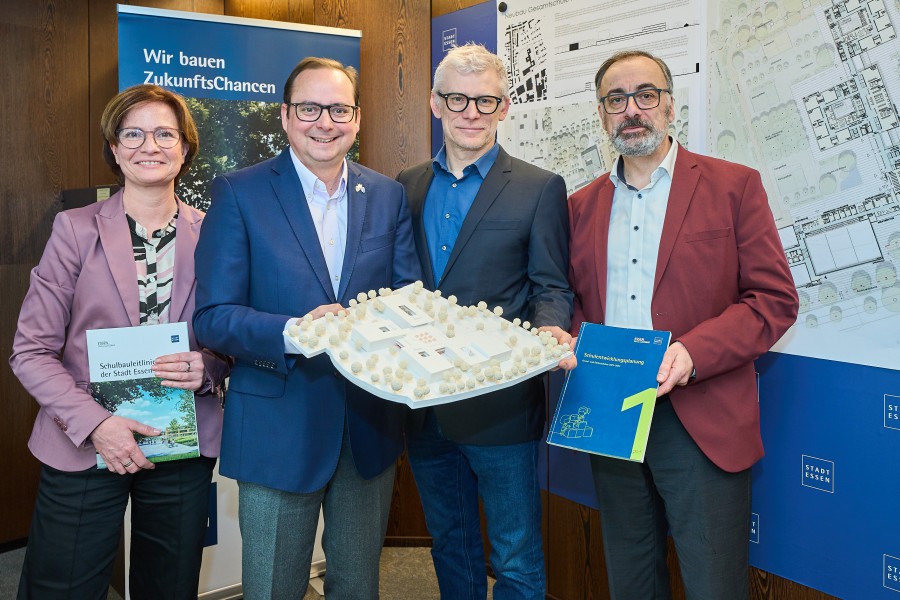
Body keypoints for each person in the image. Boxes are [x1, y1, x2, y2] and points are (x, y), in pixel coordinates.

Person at [567, 50, 799, 599]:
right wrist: (577, 340)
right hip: (613, 415)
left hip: (702, 415)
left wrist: (693, 353)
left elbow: (773, 299)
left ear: (670, 105)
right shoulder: (579, 207)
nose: (632, 110)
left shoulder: (733, 186)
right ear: (602, 115)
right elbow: (571, 300)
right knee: (631, 579)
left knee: (713, 584)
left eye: (646, 95)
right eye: (616, 99)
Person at [192, 57, 420, 599]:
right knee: (273, 587)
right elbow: (213, 317)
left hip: (368, 423)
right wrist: (297, 331)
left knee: (358, 586)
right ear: (286, 116)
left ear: (357, 119)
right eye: (310, 108)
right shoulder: (239, 193)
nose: (325, 121)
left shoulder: (386, 195)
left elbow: (410, 300)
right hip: (278, 424)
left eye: (338, 108)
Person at [9, 84, 229, 600]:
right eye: (132, 133)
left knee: (168, 586)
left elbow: (230, 336)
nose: (148, 145)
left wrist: (211, 368)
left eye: (163, 133)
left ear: (184, 148)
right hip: (85, 438)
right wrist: (98, 425)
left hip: (180, 438)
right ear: (113, 147)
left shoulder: (217, 232)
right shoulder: (74, 229)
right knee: (60, 586)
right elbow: (30, 350)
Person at [396, 43, 573, 599]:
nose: (471, 111)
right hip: (423, 405)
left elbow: (550, 285)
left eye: (485, 100)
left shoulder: (539, 187)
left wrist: (549, 329)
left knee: (515, 554)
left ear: (504, 107)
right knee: (451, 542)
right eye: (457, 98)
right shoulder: (405, 185)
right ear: (435, 103)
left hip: (501, 408)